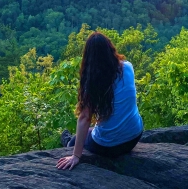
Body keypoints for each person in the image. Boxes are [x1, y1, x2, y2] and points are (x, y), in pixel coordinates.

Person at [56, 32, 143, 170]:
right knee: (92, 131)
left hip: (110, 146)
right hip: (134, 136)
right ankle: (70, 139)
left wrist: (76, 156)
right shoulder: (127, 67)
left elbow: (84, 118)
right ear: (110, 49)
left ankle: (68, 142)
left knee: (75, 140)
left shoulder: (92, 82)